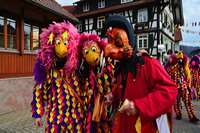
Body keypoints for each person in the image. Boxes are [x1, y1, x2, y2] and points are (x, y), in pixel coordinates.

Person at [101, 15, 178, 133]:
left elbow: (169, 90)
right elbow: (123, 91)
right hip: (125, 125)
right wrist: (112, 97)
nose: (109, 49)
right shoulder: (121, 70)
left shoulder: (148, 64)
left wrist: (139, 106)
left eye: (117, 42)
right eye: (110, 42)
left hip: (143, 127)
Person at [31, 22, 86, 132]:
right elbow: (39, 91)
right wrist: (38, 114)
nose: (62, 47)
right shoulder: (46, 68)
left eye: (65, 42)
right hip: (56, 116)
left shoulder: (79, 65)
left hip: (76, 116)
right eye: (58, 42)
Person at [78, 33, 114, 133]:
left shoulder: (109, 65)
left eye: (93, 49)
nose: (90, 56)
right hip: (91, 109)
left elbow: (114, 84)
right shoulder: (85, 70)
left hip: (105, 110)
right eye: (86, 52)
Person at [165, 51, 199, 123]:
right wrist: (177, 65)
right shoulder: (172, 67)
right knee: (176, 102)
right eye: (178, 59)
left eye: (181, 59)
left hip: (184, 87)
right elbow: (168, 71)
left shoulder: (185, 67)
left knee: (188, 102)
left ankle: (192, 116)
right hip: (175, 88)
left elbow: (188, 77)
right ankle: (178, 114)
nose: (180, 60)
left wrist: (189, 86)